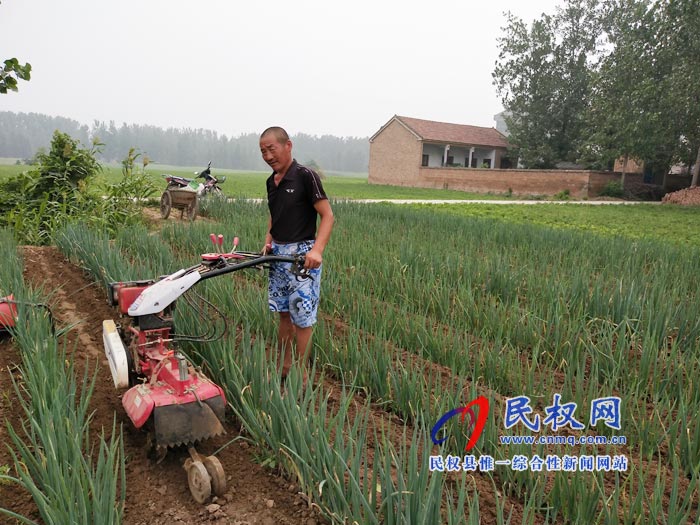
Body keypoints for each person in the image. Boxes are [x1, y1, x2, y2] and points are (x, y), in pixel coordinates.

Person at [259, 126, 334, 386]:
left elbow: (327, 215)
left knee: (302, 317)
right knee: (282, 313)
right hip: (278, 254)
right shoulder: (271, 182)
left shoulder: (305, 176)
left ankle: (301, 373)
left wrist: (317, 250)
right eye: (263, 151)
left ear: (288, 145)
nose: (268, 155)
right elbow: (274, 213)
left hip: (302, 256)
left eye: (272, 149)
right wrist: (268, 239)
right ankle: (285, 364)